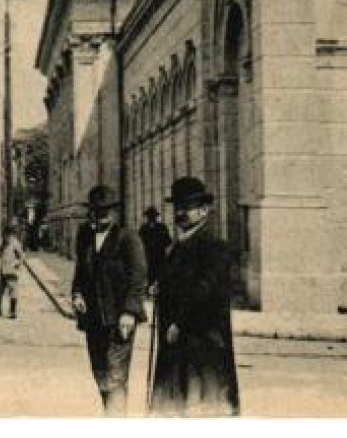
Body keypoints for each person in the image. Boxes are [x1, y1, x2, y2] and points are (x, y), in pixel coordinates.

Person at [149, 176, 239, 417]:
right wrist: (160, 284)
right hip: (176, 341)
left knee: (201, 409)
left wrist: (180, 323)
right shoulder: (178, 246)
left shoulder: (214, 247)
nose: (180, 212)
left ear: (203, 210)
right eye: (177, 207)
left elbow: (205, 290)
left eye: (186, 207)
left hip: (203, 342)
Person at [71, 184, 147, 416]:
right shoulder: (84, 236)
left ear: (115, 212)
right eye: (97, 210)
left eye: (106, 210)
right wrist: (77, 294)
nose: (101, 214)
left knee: (115, 375)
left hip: (119, 320)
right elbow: (80, 272)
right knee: (100, 373)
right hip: (93, 319)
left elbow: (138, 276)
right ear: (91, 211)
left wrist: (129, 312)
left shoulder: (128, 238)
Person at [0, 223, 26, 319]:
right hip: (3, 271)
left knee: (12, 291)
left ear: (11, 234)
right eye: (4, 235)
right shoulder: (4, 243)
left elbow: (22, 256)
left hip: (12, 272)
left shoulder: (15, 243)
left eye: (7, 234)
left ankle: (13, 312)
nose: (5, 236)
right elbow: (0, 254)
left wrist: (16, 264)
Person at [139, 207, 172, 291]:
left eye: (152, 216)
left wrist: (160, 245)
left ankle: (159, 290)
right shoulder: (143, 229)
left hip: (159, 256)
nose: (151, 218)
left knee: (160, 275)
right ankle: (150, 290)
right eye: (150, 216)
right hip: (148, 257)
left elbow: (168, 241)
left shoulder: (162, 227)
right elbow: (140, 243)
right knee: (150, 275)